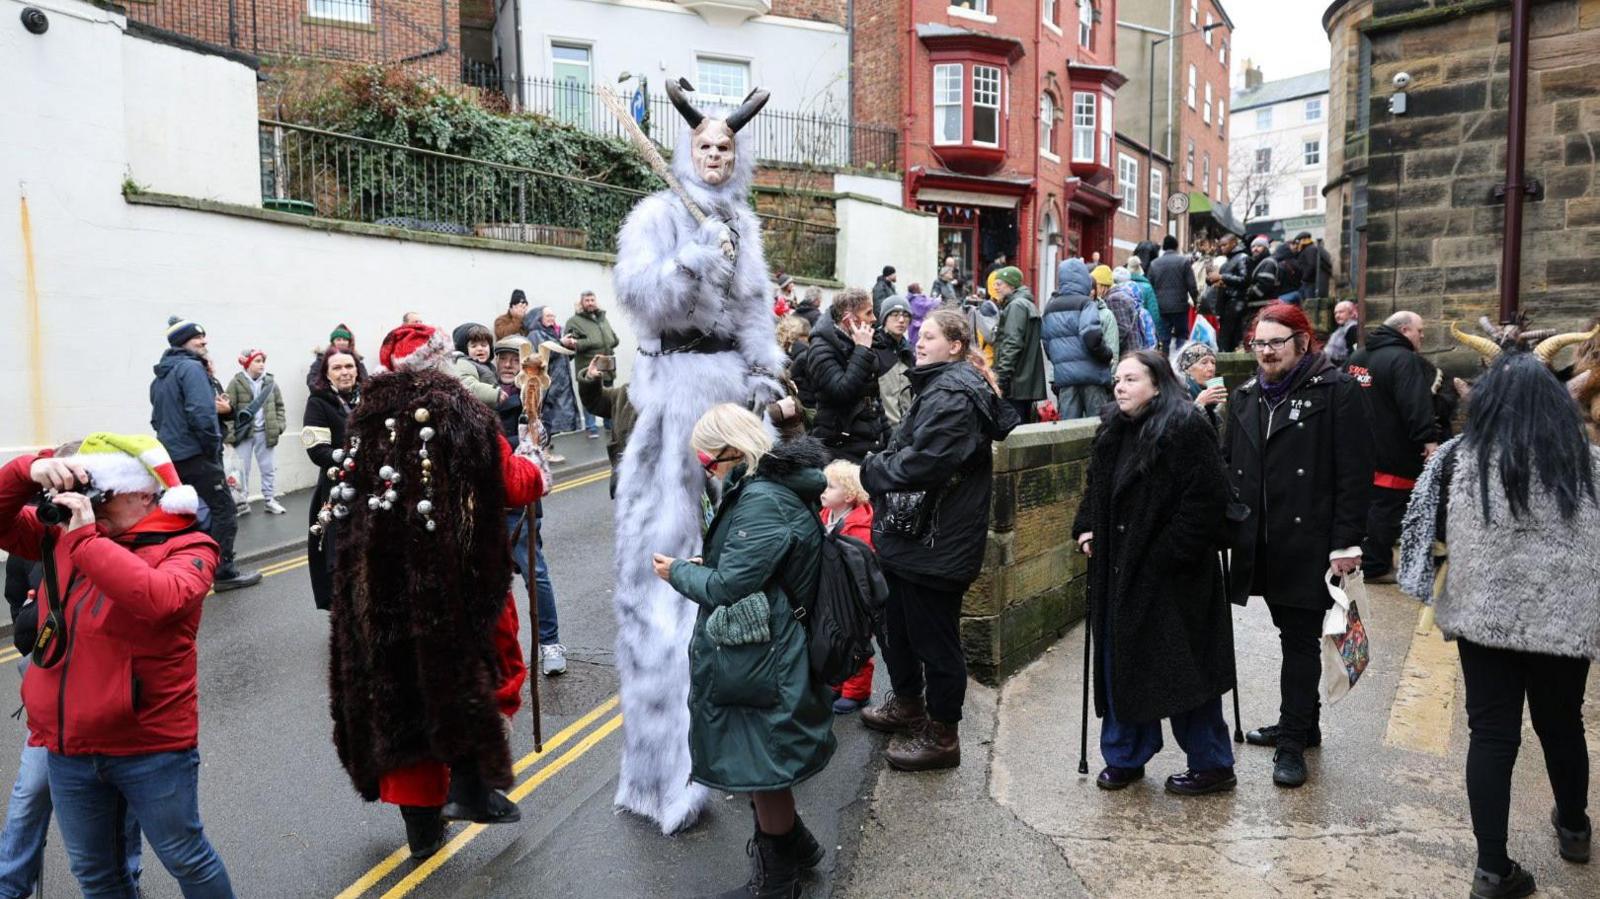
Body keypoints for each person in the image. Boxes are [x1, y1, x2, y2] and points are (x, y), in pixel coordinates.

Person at [609, 82, 788, 834]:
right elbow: (639, 297)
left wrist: (768, 375)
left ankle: (744, 748)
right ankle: (661, 775)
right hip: (677, 400)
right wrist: (689, 256)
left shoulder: (742, 222)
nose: (715, 156)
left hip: (733, 411)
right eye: (705, 146)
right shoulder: (658, 216)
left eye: (726, 147)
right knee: (666, 576)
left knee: (739, 569)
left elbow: (755, 313)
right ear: (689, 150)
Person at [330, 323, 543, 860]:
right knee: (465, 680)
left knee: (399, 697)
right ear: (439, 362)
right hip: (451, 582)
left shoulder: (366, 419)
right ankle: (472, 787)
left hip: (377, 589)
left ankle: (421, 829)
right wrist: (534, 464)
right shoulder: (459, 412)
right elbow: (513, 482)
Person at [1397, 351, 1600, 899]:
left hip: (1485, 621)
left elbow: (1421, 527)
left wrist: (1425, 581)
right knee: (1562, 725)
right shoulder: (1591, 463)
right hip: (1566, 622)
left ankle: (1492, 869)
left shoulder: (1459, 458)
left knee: (1491, 734)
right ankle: (1575, 829)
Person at [0, 434, 234, 896]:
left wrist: (85, 536)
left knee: (186, 858)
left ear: (144, 491)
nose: (95, 506)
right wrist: (29, 469)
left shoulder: (191, 547)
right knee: (96, 875)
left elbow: (157, 598)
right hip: (69, 748)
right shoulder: (65, 535)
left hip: (149, 746)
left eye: (104, 495)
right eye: (94, 494)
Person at [652, 407, 834, 898]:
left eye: (710, 460)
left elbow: (732, 585)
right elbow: (752, 565)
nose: (707, 469)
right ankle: (800, 849)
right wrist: (707, 561)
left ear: (735, 450)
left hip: (765, 656)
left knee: (762, 763)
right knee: (760, 758)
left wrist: (680, 573)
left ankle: (778, 886)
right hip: (764, 648)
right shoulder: (765, 490)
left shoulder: (759, 500)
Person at [859, 309, 1021, 770]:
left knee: (935, 640)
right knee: (899, 628)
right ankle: (909, 704)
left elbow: (923, 463)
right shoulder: (941, 386)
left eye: (929, 336)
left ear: (956, 346)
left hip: (937, 540)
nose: (919, 341)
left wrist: (870, 471)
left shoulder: (954, 393)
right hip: (914, 537)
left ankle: (943, 734)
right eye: (919, 335)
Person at [1223, 304, 1373, 789]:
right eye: (1259, 344)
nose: (1266, 352)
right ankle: (1304, 726)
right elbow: (1229, 467)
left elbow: (1354, 473)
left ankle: (1292, 746)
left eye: (1276, 343)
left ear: (1302, 343)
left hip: (1310, 540)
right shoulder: (1245, 397)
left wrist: (1347, 542)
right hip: (1262, 540)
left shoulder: (1337, 391)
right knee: (1287, 626)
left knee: (1299, 640)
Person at [1073, 351, 1237, 795]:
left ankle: (1213, 763)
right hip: (1120, 570)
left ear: (1158, 384)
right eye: (1117, 380)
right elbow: (1097, 486)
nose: (1119, 387)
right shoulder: (1112, 426)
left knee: (1185, 671)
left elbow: (1207, 498)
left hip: (1172, 575)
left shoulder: (1185, 425)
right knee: (1120, 660)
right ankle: (1125, 757)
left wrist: (1168, 554)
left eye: (1130, 379)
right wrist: (1087, 525)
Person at [150, 316, 259, 591]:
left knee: (183, 513)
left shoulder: (162, 375)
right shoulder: (190, 368)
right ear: (182, 343)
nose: (204, 341)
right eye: (198, 338)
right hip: (197, 455)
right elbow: (201, 414)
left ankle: (184, 568)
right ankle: (223, 571)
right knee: (224, 510)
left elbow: (157, 419)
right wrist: (212, 448)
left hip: (172, 455)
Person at [491, 337, 567, 677]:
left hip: (521, 502)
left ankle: (550, 643)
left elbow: (538, 439)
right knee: (492, 582)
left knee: (534, 573)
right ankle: (500, 653)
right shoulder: (483, 397)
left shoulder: (536, 397)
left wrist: (523, 438)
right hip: (489, 502)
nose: (509, 365)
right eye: (503, 358)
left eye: (514, 360)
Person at [1345, 311, 1438, 582]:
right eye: (1419, 331)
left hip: (1359, 450)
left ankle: (1366, 560)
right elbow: (1416, 405)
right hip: (1395, 451)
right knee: (1387, 508)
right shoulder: (1405, 360)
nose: (1422, 336)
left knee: (1367, 506)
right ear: (1405, 330)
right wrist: (1429, 440)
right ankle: (1375, 565)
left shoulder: (1357, 357)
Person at [302, 349, 362, 612]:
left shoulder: (370, 398)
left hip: (371, 486)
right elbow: (317, 452)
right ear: (326, 374)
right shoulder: (318, 402)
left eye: (349, 366)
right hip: (336, 489)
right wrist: (352, 459)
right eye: (337, 368)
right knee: (341, 556)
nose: (345, 372)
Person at [820, 459, 877, 714]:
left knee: (856, 641)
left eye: (830, 487)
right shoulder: (824, 515)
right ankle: (837, 683)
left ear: (850, 494)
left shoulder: (861, 524)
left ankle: (857, 692)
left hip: (854, 595)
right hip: (830, 590)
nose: (823, 490)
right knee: (833, 638)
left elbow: (866, 563)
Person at [808, 288, 888, 462]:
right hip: (840, 447)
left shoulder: (860, 340)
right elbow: (841, 391)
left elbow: (873, 395)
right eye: (868, 313)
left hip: (868, 442)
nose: (874, 319)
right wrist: (861, 350)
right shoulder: (821, 348)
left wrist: (887, 438)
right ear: (849, 319)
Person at [1043, 258, 1113, 420]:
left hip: (1066, 379)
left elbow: (1047, 343)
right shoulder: (1086, 303)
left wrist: (1060, 362)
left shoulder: (1050, 306)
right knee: (1097, 427)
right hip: (1093, 376)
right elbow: (1091, 336)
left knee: (1068, 429)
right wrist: (1106, 354)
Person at [224, 349, 287, 516]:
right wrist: (229, 435)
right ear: (247, 364)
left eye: (262, 361)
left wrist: (279, 426)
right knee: (241, 470)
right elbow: (227, 411)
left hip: (266, 433)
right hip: (244, 434)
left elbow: (279, 406)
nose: (261, 364)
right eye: (257, 361)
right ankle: (241, 502)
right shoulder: (236, 383)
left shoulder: (270, 383)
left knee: (268, 469)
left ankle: (270, 500)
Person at [990, 266, 1046, 424]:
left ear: (1011, 285)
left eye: (999, 283)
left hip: (1016, 383)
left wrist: (1001, 379)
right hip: (1022, 382)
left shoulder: (1016, 306)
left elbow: (1012, 344)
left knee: (1015, 428)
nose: (995, 287)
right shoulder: (1023, 303)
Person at [576, 357, 636, 499]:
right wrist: (591, 378)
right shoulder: (625, 394)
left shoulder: (681, 399)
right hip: (628, 488)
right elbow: (595, 401)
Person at [565, 291, 621, 439]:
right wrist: (591, 343)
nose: (590, 303)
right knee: (591, 394)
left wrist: (612, 341)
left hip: (607, 365)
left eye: (592, 300)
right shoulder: (574, 321)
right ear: (581, 303)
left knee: (609, 395)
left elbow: (612, 338)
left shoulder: (602, 318)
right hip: (588, 366)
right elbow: (571, 345)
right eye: (587, 300)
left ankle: (609, 425)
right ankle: (591, 427)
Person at [524, 306, 583, 442]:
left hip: (562, 385)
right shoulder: (535, 334)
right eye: (548, 316)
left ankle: (555, 447)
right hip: (549, 386)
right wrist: (561, 343)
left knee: (562, 420)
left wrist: (569, 347)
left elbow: (563, 357)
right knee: (548, 418)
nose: (552, 319)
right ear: (539, 318)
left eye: (553, 316)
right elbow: (541, 356)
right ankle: (546, 448)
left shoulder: (555, 333)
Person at [1148, 235, 1200, 354]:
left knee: (1164, 337)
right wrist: (1196, 302)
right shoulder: (1183, 262)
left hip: (1161, 307)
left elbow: (1150, 285)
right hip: (1180, 306)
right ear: (1176, 246)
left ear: (1164, 247)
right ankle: (1180, 361)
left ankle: (1164, 362)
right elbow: (1192, 285)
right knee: (1182, 335)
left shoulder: (1154, 264)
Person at [875, 297, 917, 428]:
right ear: (884, 318)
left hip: (904, 431)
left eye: (906, 315)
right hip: (881, 431)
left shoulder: (908, 352)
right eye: (895, 314)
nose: (901, 320)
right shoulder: (873, 348)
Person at [1178, 342, 1227, 432]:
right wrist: (1199, 404)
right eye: (1204, 363)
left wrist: (1219, 409)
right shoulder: (1178, 395)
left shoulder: (1207, 392)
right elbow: (1181, 430)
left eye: (1213, 362)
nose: (1211, 368)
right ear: (1188, 369)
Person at [449, 322, 501, 407]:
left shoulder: (489, 366)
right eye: (474, 346)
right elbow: (468, 386)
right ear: (464, 350)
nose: (480, 349)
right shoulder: (463, 363)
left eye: (484, 345)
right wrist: (495, 393)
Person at [1213, 235, 1251, 352]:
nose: (1222, 248)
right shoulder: (1230, 260)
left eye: (1225, 245)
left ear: (1233, 244)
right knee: (1227, 336)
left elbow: (1244, 279)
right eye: (1221, 246)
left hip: (1235, 301)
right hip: (1228, 301)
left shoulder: (1242, 258)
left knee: (1229, 336)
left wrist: (1222, 277)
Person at [306, 323, 370, 391]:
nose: (341, 342)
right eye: (338, 339)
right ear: (333, 342)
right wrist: (331, 393)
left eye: (345, 340)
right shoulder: (321, 360)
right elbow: (312, 382)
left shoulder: (357, 360)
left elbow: (365, 382)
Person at [1326, 301, 1361, 367]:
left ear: (1350, 313)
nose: (1337, 316)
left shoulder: (1352, 329)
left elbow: (1355, 353)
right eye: (1335, 313)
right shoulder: (1341, 327)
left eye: (1341, 312)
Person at [905, 282, 938, 347]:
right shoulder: (916, 300)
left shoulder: (917, 298)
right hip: (916, 325)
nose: (922, 288)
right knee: (916, 341)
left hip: (917, 324)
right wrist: (937, 301)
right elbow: (926, 306)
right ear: (916, 289)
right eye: (920, 286)